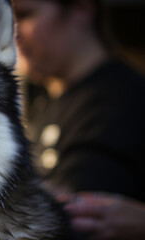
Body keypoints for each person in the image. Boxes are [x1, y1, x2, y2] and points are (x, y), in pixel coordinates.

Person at [14, 0, 145, 238]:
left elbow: (68, 217)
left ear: (82, 9)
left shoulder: (119, 101)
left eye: (24, 15)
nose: (11, 31)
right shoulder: (43, 96)